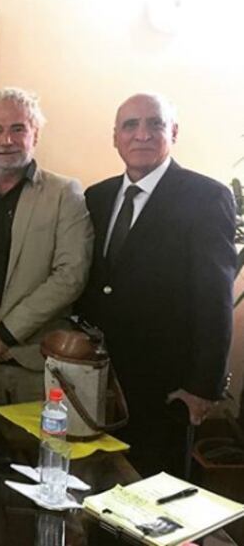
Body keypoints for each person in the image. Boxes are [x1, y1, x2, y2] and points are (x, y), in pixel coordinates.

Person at [77, 93, 236, 477]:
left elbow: (215, 296)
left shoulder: (206, 196)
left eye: (155, 124)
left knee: (153, 505)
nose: (142, 135)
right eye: (130, 125)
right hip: (97, 381)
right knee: (96, 489)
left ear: (174, 133)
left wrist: (202, 387)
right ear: (115, 137)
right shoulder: (96, 197)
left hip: (165, 388)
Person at [0, 87, 93, 407]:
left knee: (43, 454)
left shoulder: (64, 194)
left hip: (40, 361)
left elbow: (71, 275)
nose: (6, 141)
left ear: (35, 134)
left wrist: (7, 333)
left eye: (18, 129)